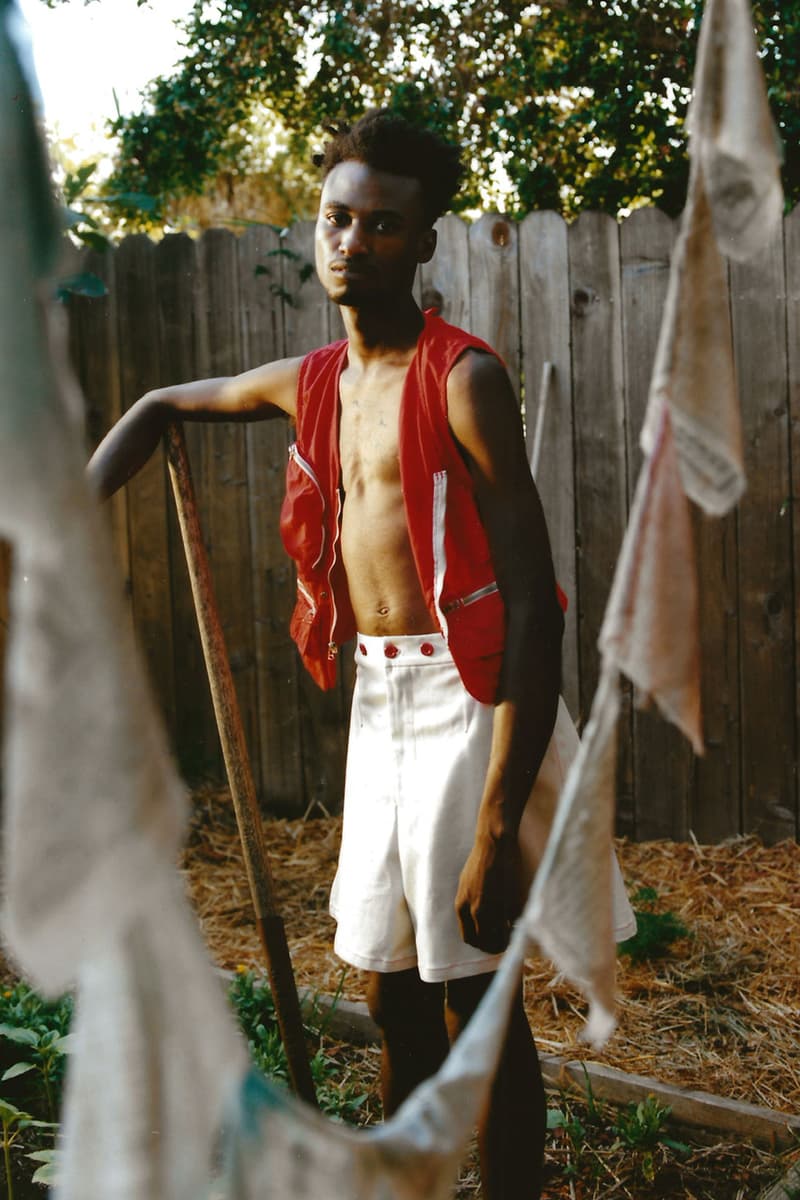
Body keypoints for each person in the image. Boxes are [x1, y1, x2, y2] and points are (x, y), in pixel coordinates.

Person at [88, 109, 567, 1199]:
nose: (351, 241)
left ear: (424, 242)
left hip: (467, 696)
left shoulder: (461, 380)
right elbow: (161, 403)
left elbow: (536, 606)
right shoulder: (312, 382)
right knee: (388, 986)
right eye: (335, 218)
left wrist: (498, 816)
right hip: (379, 705)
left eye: (382, 225)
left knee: (474, 995)